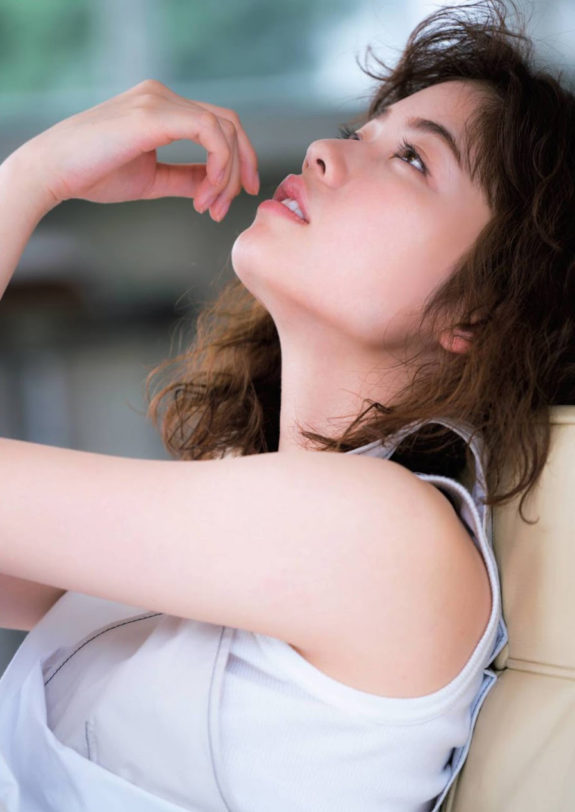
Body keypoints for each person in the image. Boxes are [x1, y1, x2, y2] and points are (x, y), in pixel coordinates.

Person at [0, 0, 573, 809]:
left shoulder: (382, 536)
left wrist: (33, 177)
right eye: (358, 131)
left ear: (480, 311)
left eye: (412, 158)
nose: (324, 152)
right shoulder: (254, 513)